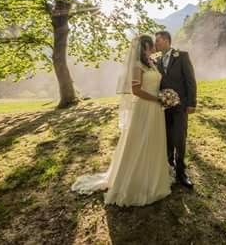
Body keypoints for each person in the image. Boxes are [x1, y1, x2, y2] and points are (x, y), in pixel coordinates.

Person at [71, 35, 173, 206]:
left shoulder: (152, 63)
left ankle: (153, 176)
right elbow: (136, 91)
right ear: (144, 47)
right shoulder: (137, 65)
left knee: (153, 141)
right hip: (145, 107)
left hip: (156, 109)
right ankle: (135, 180)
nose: (153, 46)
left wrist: (164, 97)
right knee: (139, 141)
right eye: (150, 44)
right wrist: (157, 98)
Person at [155, 31, 197, 189]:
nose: (156, 44)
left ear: (166, 40)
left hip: (181, 106)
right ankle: (169, 168)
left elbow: (190, 81)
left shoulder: (182, 56)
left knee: (179, 138)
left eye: (157, 41)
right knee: (167, 138)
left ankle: (181, 173)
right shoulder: (156, 61)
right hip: (163, 108)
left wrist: (192, 103)